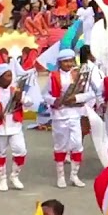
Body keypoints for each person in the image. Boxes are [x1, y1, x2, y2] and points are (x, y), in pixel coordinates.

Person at [43, 49, 94, 188]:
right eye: (65, 61)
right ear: (60, 63)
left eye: (71, 61)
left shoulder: (79, 75)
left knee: (77, 144)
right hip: (60, 115)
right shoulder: (53, 76)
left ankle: (74, 175)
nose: (68, 64)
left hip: (75, 114)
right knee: (61, 145)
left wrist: (76, 98)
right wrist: (55, 101)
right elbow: (45, 95)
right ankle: (60, 176)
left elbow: (90, 93)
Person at [0, 64, 27, 192]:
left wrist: (21, 99)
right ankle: (2, 179)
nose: (10, 78)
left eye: (11, 75)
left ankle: (15, 175)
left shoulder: (15, 91)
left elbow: (29, 101)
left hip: (15, 125)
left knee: (21, 150)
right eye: (7, 76)